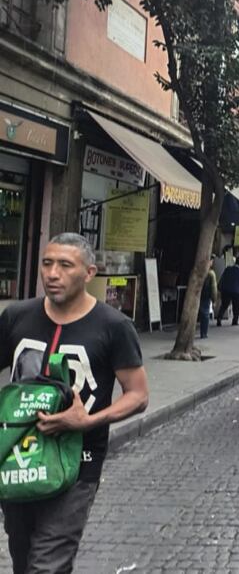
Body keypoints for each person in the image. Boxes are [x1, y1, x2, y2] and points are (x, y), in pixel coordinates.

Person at [0, 233, 149, 573]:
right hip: (18, 458)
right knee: (23, 557)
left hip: (78, 463)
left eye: (65, 265)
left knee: (47, 564)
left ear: (88, 273)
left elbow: (138, 395)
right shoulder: (17, 316)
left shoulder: (114, 326)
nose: (52, 273)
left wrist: (88, 421)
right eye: (47, 263)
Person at [217, 256, 239, 326]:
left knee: (224, 305)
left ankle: (219, 318)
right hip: (236, 291)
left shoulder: (228, 269)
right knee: (236, 307)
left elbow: (222, 278)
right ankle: (235, 321)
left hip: (226, 290)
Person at [198, 259, 218, 339]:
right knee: (205, 314)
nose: (212, 263)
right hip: (206, 296)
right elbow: (213, 288)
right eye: (211, 261)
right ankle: (203, 333)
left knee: (200, 313)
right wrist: (214, 299)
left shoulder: (198, 271)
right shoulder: (211, 274)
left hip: (198, 295)